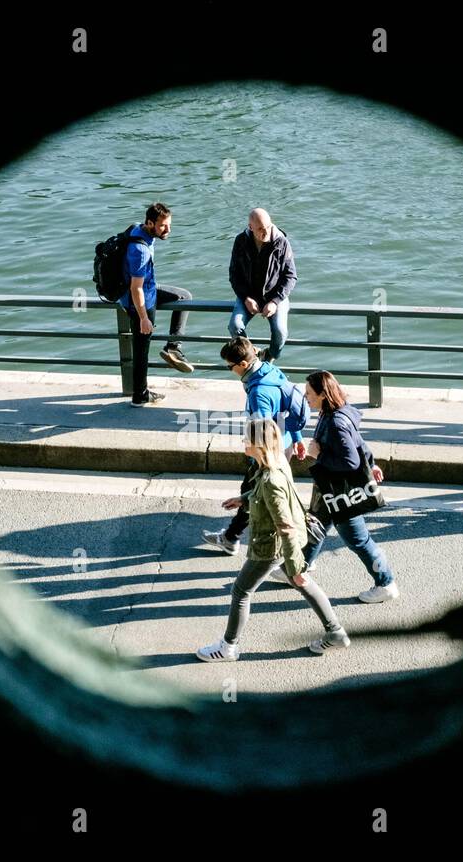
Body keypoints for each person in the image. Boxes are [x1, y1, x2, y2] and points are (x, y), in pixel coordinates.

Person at [197, 417, 350, 660]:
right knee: (303, 582)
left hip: (272, 545)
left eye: (247, 438)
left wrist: (295, 564)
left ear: (258, 444)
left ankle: (228, 647)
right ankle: (335, 633)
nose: (243, 441)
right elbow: (268, 495)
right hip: (287, 543)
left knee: (241, 591)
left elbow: (285, 526)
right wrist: (245, 499)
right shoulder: (276, 463)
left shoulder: (271, 480)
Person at [271, 370, 400, 603]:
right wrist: (371, 464)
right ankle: (298, 567)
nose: (305, 396)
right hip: (329, 488)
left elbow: (350, 461)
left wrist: (317, 455)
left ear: (322, 394)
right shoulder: (336, 412)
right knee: (315, 525)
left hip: (340, 492)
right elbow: (358, 443)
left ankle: (386, 583)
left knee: (358, 540)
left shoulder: (336, 422)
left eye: (309, 392)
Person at [201, 336, 307, 556]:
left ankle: (232, 539)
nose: (230, 370)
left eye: (230, 366)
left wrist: (254, 456)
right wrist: (297, 438)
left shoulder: (259, 393)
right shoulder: (270, 371)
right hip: (285, 443)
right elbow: (287, 409)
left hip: (268, 452)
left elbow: (263, 432)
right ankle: (233, 536)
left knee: (254, 494)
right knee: (266, 493)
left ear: (243, 365)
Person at [118, 202, 194, 407]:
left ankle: (173, 347)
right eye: (163, 226)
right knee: (141, 350)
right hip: (139, 302)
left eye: (169, 225)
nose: (168, 230)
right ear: (150, 223)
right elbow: (136, 288)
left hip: (145, 291)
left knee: (183, 297)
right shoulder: (140, 250)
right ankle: (140, 395)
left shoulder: (137, 229)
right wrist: (143, 318)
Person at [227, 208, 297, 363]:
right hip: (248, 295)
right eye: (260, 229)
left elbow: (291, 276)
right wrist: (245, 298)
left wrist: (275, 301)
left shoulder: (282, 242)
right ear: (250, 227)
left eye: (268, 227)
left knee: (280, 332)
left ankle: (269, 356)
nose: (265, 232)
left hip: (275, 296)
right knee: (234, 326)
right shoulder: (241, 241)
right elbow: (234, 274)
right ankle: (252, 356)